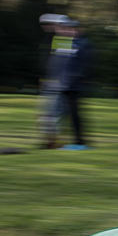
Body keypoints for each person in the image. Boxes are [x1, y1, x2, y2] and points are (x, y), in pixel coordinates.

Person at [58, 18, 93, 150]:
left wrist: (80, 78)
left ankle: (80, 141)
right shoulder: (66, 43)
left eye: (71, 29)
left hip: (75, 85)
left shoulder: (84, 44)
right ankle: (73, 140)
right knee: (67, 114)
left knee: (75, 114)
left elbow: (86, 64)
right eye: (67, 29)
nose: (68, 31)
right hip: (65, 84)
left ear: (77, 30)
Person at [38, 14, 70, 149]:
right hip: (51, 81)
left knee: (55, 112)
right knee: (51, 113)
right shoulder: (50, 39)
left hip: (58, 82)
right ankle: (51, 141)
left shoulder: (62, 40)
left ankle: (52, 142)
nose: (46, 27)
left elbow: (61, 63)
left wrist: (57, 80)